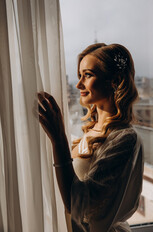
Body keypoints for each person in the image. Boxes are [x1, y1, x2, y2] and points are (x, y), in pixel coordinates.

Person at [38, 43, 144, 232]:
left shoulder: (125, 139)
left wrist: (59, 139)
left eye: (87, 75)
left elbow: (79, 205)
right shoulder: (90, 133)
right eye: (79, 76)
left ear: (114, 80)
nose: (79, 85)